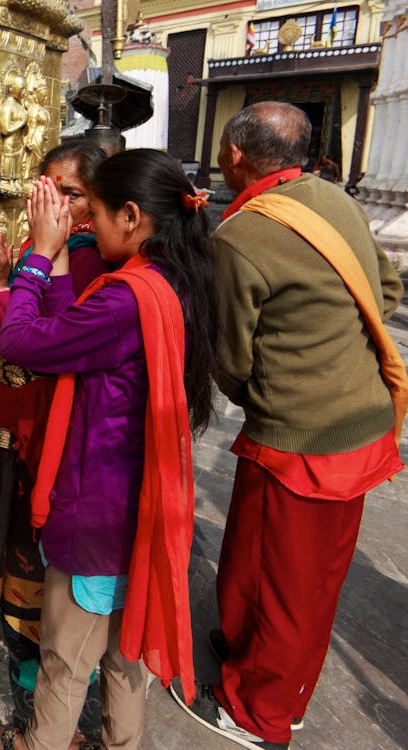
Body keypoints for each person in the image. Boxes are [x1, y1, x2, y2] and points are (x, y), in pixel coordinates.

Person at [169, 102, 404, 749]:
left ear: (236, 157)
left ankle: (261, 712)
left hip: (301, 435)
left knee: (289, 585)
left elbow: (230, 358)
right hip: (359, 419)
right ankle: (250, 653)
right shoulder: (336, 201)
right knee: (273, 559)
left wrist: (270, 387)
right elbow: (383, 293)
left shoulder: (241, 237)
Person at [0, 148, 217, 750]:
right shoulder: (170, 280)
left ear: (131, 217)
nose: (85, 225)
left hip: (98, 517)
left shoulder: (126, 299)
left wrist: (35, 259)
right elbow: (73, 336)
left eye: (93, 211)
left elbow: (26, 342)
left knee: (65, 661)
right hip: (144, 509)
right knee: (128, 655)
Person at [0, 140, 109, 737]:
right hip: (19, 427)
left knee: (49, 572)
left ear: (97, 203)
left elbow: (41, 340)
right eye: (47, 188)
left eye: (70, 194)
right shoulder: (48, 244)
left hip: (53, 436)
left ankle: (51, 703)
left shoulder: (89, 258)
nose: (54, 202)